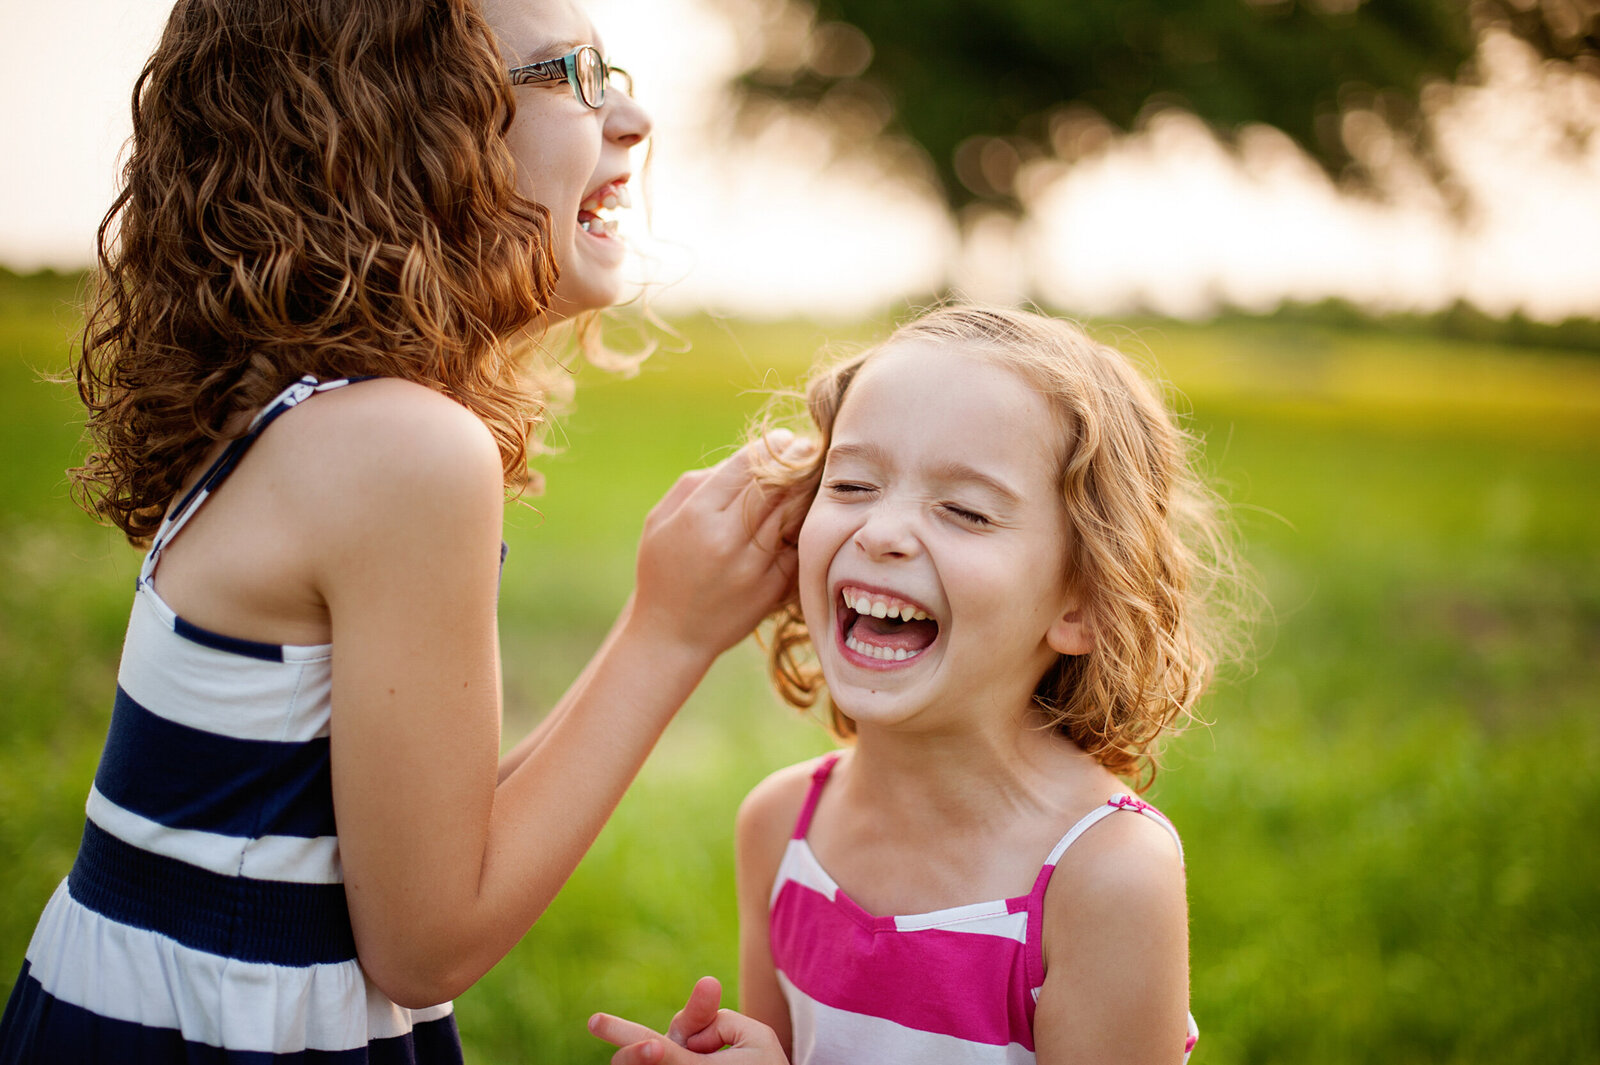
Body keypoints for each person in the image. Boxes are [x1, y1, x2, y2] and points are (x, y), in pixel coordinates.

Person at [0, 0, 797, 1061]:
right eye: (574, 76)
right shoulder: (402, 449)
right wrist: (671, 632)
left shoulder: (302, 411)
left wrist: (662, 615)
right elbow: (424, 943)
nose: (634, 117)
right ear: (402, 133)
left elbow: (406, 838)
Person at [590, 305, 1251, 1064]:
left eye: (965, 511)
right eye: (852, 484)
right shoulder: (780, 828)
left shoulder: (1103, 876)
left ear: (1083, 603)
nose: (880, 532)